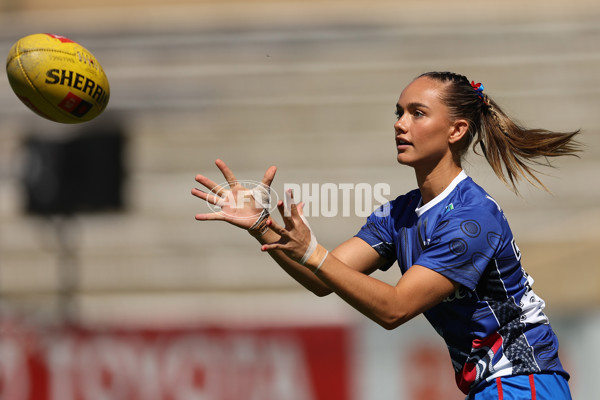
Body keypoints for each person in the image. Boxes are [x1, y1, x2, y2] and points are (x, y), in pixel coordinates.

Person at [191, 71, 580, 399]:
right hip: (494, 386)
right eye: (399, 112)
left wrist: (313, 251)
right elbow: (321, 279)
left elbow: (395, 309)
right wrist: (262, 226)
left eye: (417, 113)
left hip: (524, 383)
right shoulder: (399, 213)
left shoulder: (470, 219)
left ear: (456, 130)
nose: (400, 123)